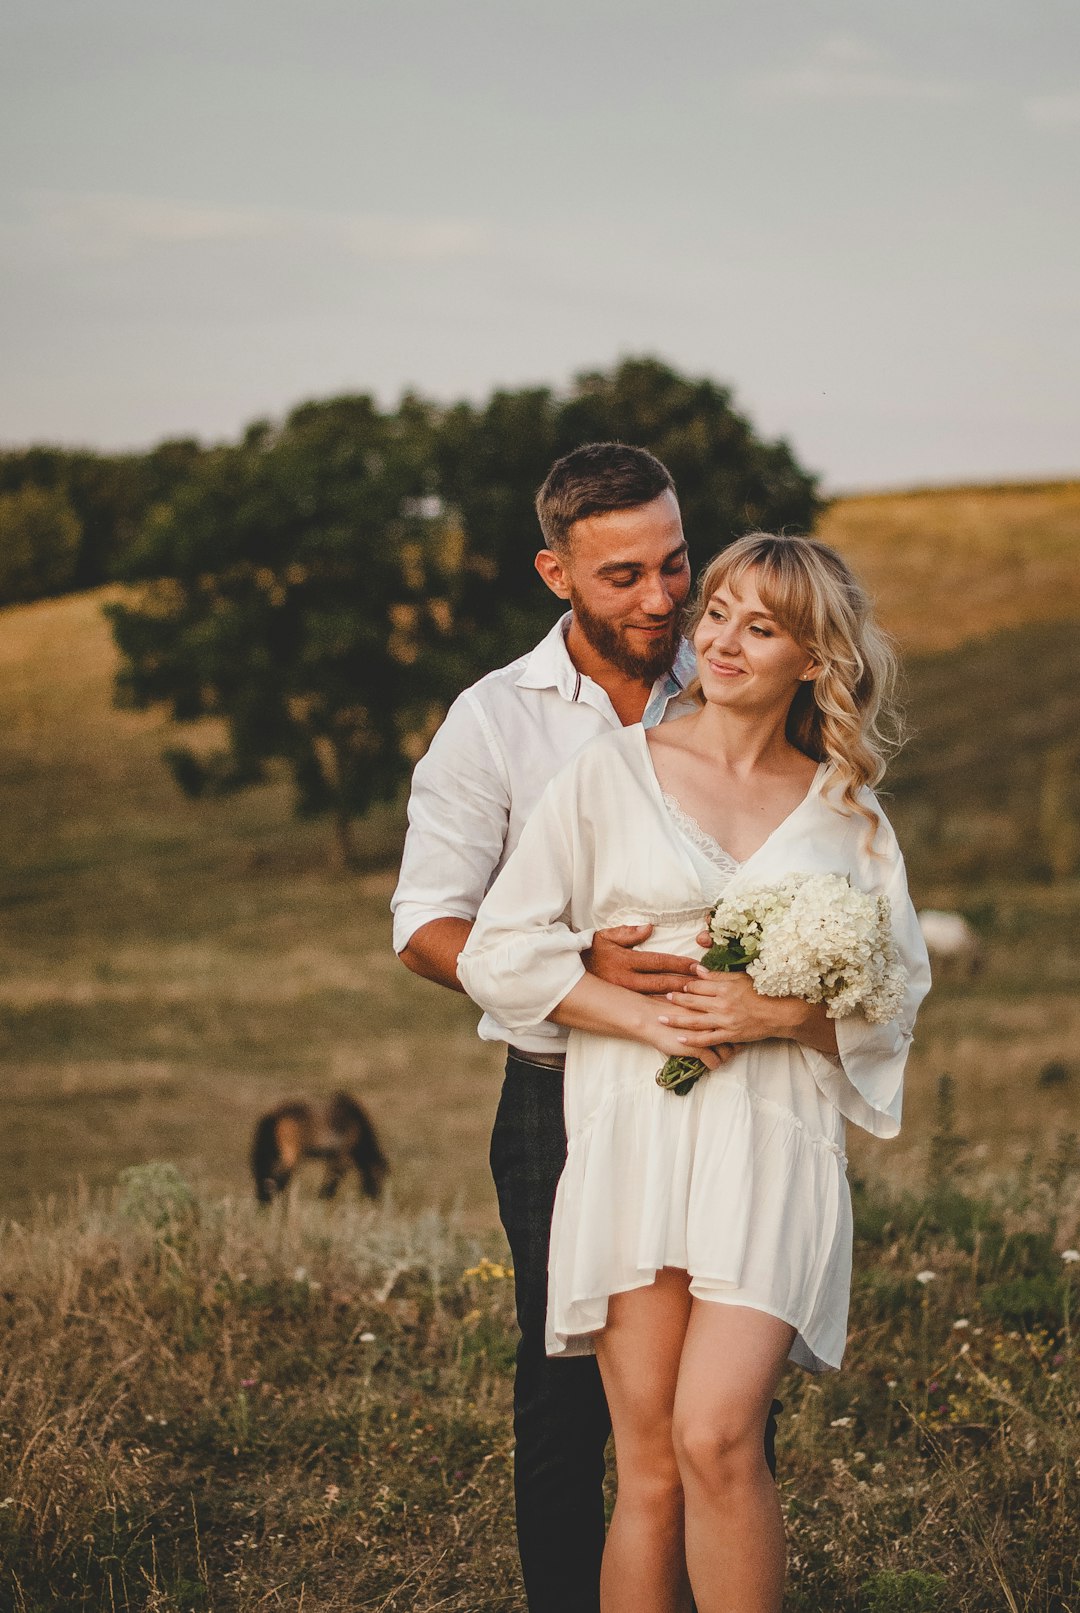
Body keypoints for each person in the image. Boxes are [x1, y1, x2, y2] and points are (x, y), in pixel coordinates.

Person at [457, 533, 932, 1613]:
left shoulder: (846, 812)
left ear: (812, 659)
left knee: (719, 1433)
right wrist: (638, 1015)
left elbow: (895, 996)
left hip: (769, 1142)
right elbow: (501, 948)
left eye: (758, 625)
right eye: (716, 608)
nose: (716, 636)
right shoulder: (610, 774)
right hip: (633, 1132)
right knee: (653, 1464)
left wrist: (777, 1012)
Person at [393, 442, 725, 1613]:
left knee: (719, 1401)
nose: (661, 598)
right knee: (566, 1395)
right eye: (623, 574)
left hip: (721, 1090)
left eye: (676, 564)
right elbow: (426, 923)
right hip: (560, 1100)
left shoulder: (738, 677)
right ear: (555, 571)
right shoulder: (496, 720)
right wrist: (572, 962)